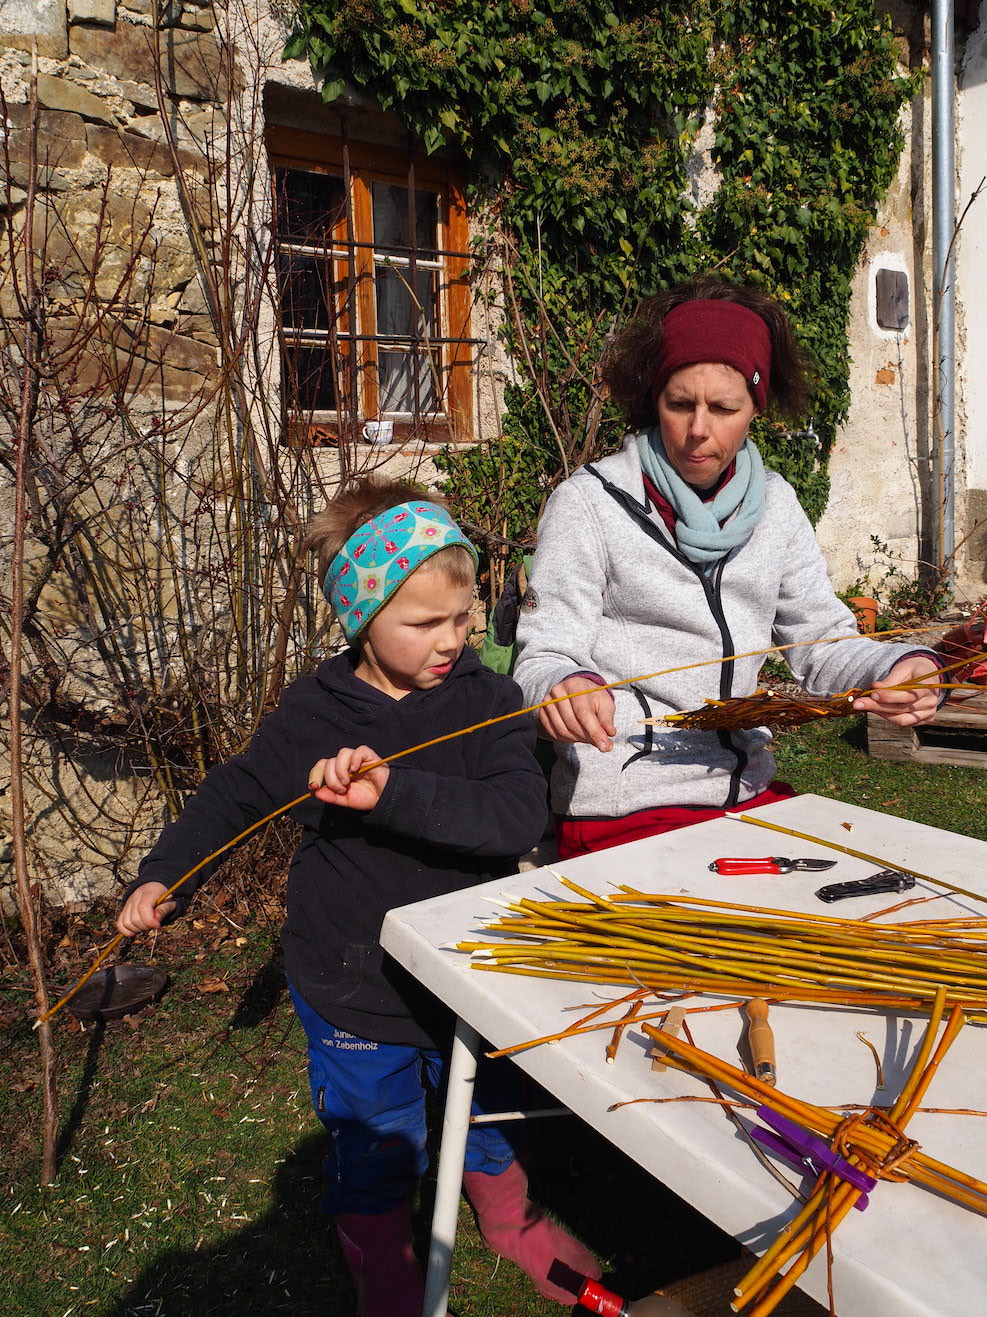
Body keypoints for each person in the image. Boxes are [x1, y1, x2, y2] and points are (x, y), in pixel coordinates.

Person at [116, 477, 599, 1315]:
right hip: (353, 982)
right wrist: (167, 874)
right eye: (424, 622)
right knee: (376, 1139)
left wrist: (393, 792)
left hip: (470, 969)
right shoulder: (315, 710)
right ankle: (381, 1259)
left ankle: (509, 1218)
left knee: (488, 1107)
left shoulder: (489, 702)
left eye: (462, 616)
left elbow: (515, 814)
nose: (452, 638)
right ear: (361, 619)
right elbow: (237, 793)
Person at [513, 277, 942, 859]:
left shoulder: (776, 505)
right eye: (680, 404)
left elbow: (822, 641)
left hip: (745, 790)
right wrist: (563, 686)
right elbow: (543, 655)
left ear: (755, 409)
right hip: (624, 800)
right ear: (654, 400)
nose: (698, 429)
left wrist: (899, 665)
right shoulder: (588, 503)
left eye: (723, 408)